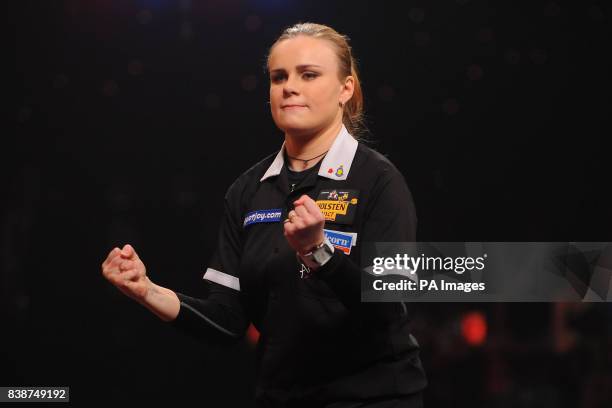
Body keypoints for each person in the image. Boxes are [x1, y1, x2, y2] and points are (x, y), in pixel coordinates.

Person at [101, 22, 427, 407]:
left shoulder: (379, 181)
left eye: (308, 75)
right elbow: (226, 320)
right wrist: (147, 291)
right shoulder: (248, 190)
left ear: (346, 89)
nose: (289, 86)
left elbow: (390, 308)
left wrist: (319, 254)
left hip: (372, 398)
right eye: (279, 77)